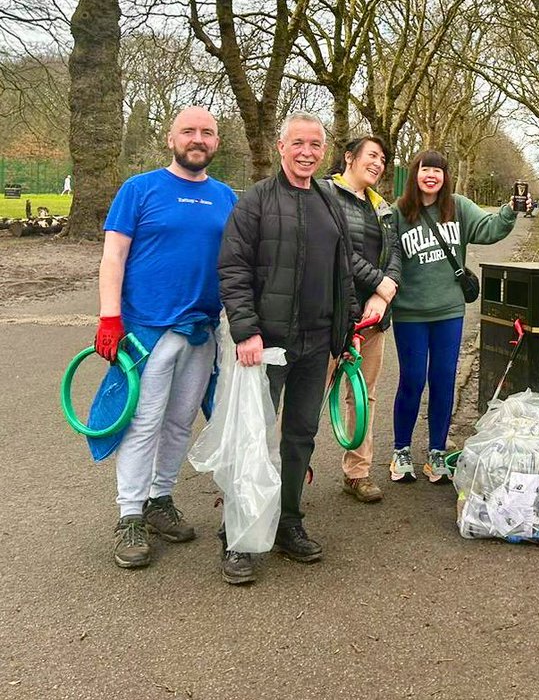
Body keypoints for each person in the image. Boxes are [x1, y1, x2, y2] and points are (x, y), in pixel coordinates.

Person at [218, 113, 360, 585]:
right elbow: (233, 268)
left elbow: (344, 272)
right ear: (281, 146)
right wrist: (246, 331)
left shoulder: (329, 201)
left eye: (315, 144)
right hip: (266, 346)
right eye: (297, 142)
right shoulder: (256, 201)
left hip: (316, 344)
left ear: (325, 151)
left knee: (301, 437)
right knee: (252, 440)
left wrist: (348, 330)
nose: (306, 151)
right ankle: (237, 537)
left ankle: (288, 522)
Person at [95, 107, 237, 569]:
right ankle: (130, 515)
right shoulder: (139, 189)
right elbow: (114, 256)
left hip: (201, 330)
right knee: (143, 422)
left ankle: (159, 500)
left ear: (216, 142)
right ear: (170, 138)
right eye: (189, 131)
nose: (198, 139)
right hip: (147, 330)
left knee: (179, 421)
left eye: (207, 133)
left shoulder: (227, 197)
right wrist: (109, 317)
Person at [388, 150, 518, 484]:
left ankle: (436, 453)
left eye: (437, 171)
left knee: (444, 379)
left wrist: (510, 210)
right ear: (414, 174)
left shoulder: (458, 207)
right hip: (410, 313)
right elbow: (385, 258)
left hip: (449, 311)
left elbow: (489, 230)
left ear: (446, 177)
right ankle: (401, 450)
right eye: (424, 169)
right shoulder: (398, 213)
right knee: (413, 379)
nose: (430, 176)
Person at [326, 136, 403, 503]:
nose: (378, 163)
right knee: (307, 398)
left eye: (383, 158)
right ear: (349, 158)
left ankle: (357, 473)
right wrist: (381, 282)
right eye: (372, 155)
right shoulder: (325, 195)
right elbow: (338, 249)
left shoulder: (382, 208)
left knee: (363, 397)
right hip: (329, 315)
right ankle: (281, 473)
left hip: (372, 319)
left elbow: (396, 254)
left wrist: (382, 293)